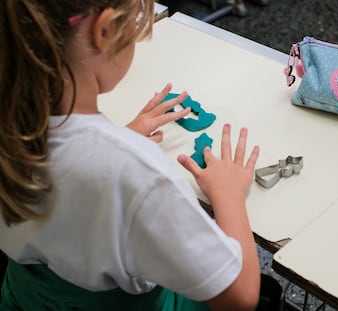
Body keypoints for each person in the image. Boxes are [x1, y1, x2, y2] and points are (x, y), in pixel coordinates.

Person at [0, 0, 281, 310]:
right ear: (104, 31)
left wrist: (109, 143)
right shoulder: (137, 173)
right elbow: (240, 297)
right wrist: (228, 194)